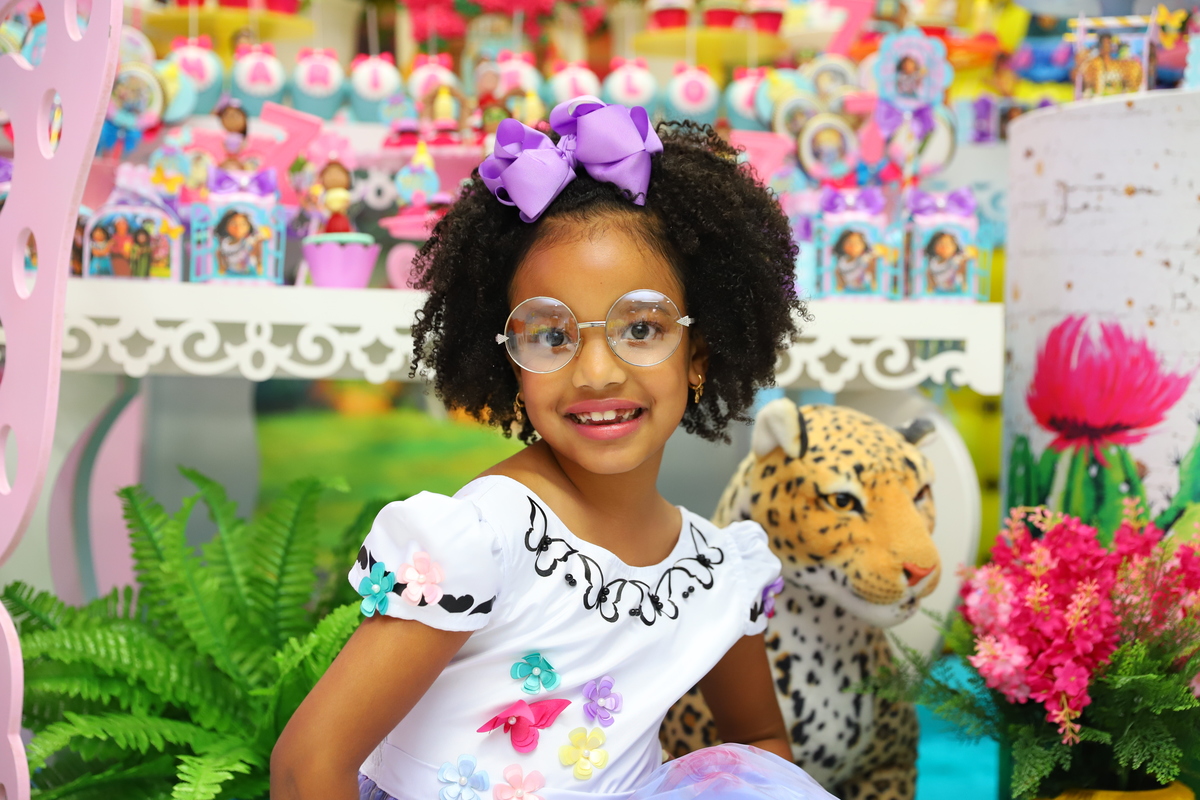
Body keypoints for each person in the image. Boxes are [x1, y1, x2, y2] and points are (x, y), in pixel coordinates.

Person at [272, 98, 832, 800]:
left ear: (699, 353)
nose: (596, 373)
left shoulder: (717, 570)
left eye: (642, 328)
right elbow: (306, 766)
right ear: (509, 361)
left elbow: (760, 749)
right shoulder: (484, 541)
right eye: (549, 334)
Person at [215, 210, 268, 276]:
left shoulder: (248, 240)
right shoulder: (225, 242)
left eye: (243, 224)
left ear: (249, 226)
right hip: (231, 271)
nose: (238, 227)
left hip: (249, 271)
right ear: (225, 226)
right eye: (233, 223)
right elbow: (220, 254)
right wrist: (222, 267)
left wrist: (259, 264)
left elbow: (258, 242)